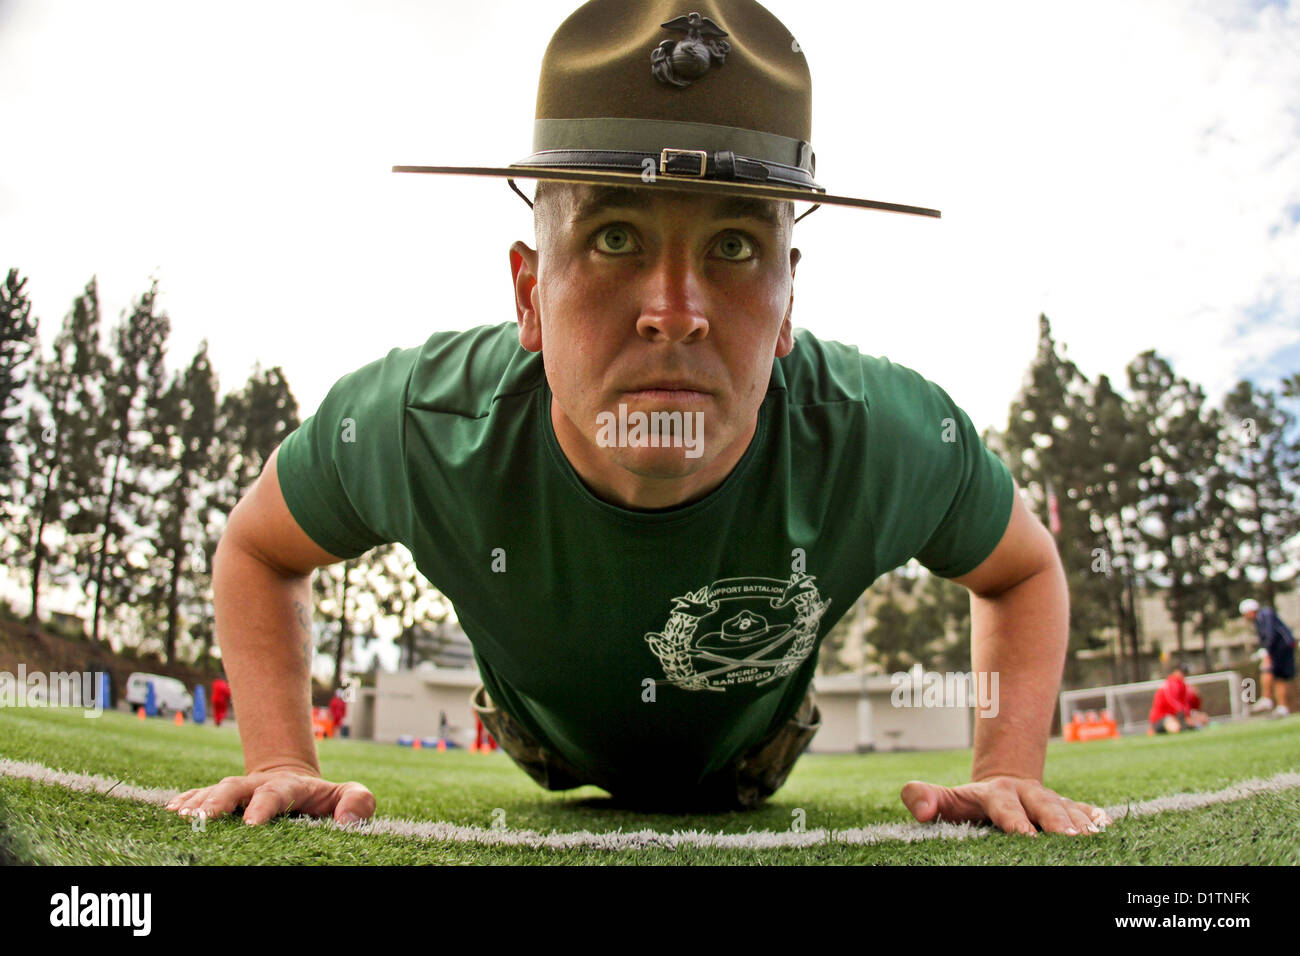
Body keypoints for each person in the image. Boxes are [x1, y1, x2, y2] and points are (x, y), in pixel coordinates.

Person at [166, 0, 1110, 837]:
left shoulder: (887, 433)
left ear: (788, 305)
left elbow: (1024, 568)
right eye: (615, 237)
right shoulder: (417, 419)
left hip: (753, 756)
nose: (676, 309)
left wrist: (1008, 767)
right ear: (529, 294)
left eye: (736, 242)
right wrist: (283, 755)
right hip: (540, 743)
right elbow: (258, 546)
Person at [1241, 598, 1294, 717]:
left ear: (1250, 611)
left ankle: (1268, 700)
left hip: (1282, 648)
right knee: (1277, 676)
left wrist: (1267, 653)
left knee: (1271, 671)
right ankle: (1279, 706)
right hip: (1279, 649)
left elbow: (1270, 635)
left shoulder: (1265, 614)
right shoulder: (1258, 621)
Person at [1147, 662, 1207, 735]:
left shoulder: (1183, 685)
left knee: (1203, 718)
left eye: (1185, 673)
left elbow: (1190, 705)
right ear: (1176, 671)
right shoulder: (1170, 683)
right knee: (1175, 727)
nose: (1183, 675)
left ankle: (1188, 726)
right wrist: (1186, 716)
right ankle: (1153, 730)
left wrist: (1196, 697)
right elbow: (1173, 702)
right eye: (1182, 672)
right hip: (1162, 717)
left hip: (1178, 716)